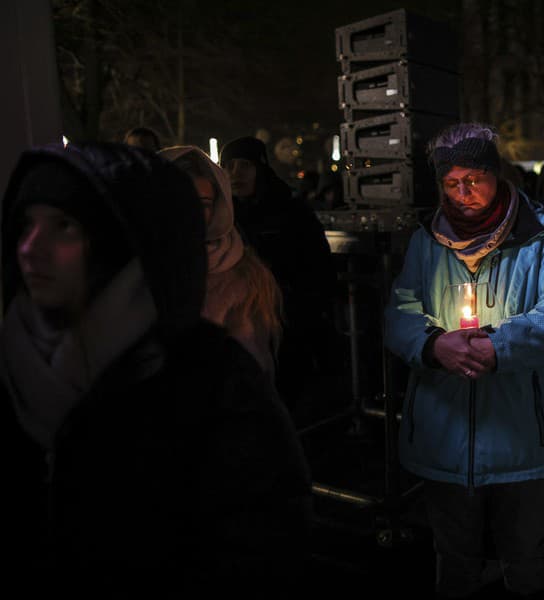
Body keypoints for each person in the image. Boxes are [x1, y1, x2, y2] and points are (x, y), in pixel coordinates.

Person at [0, 142, 311, 596]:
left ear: (117, 238)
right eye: (26, 225)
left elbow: (260, 538)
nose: (30, 248)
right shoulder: (11, 359)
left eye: (64, 226)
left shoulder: (209, 377)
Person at [383, 122, 544, 598]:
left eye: (473, 179)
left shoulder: (543, 237)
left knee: (524, 553)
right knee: (453, 555)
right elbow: (400, 311)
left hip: (523, 435)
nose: (462, 193)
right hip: (445, 430)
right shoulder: (426, 241)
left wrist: (500, 347)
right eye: (450, 183)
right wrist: (435, 345)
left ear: (496, 175)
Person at [219, 135, 337, 420]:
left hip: (287, 328)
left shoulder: (291, 212)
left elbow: (317, 271)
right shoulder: (221, 217)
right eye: (229, 166)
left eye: (244, 165)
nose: (236, 174)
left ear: (260, 168)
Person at [159, 145, 284, 378]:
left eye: (204, 204)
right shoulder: (132, 268)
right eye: (180, 199)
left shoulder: (240, 275)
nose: (192, 212)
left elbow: (250, 370)